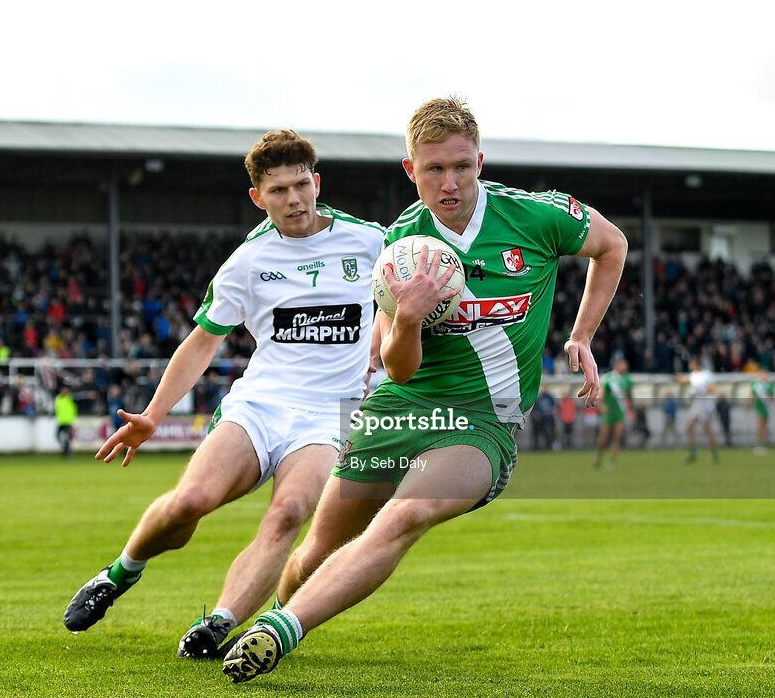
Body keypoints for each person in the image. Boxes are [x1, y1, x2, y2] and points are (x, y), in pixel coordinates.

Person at [221, 96, 627, 682]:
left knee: (405, 514)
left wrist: (583, 334)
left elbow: (610, 245)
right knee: (315, 550)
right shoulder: (400, 246)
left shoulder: (537, 217)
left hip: (484, 420)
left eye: (462, 166)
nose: (450, 182)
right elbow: (399, 369)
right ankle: (276, 617)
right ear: (410, 170)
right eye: (434, 169)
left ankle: (279, 633)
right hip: (398, 407)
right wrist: (407, 318)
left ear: (480, 161)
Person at [62, 130, 384, 661]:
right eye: (278, 190)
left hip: (328, 417)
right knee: (190, 503)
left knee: (288, 514)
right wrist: (152, 414)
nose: (295, 199)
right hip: (259, 406)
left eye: (302, 184)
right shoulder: (247, 261)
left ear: (317, 182)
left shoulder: (370, 241)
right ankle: (119, 573)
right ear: (258, 197)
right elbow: (201, 343)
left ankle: (219, 623)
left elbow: (412, 282)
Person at [675, 358, 719, 464]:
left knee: (707, 429)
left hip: (706, 403)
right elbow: (685, 381)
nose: (690, 366)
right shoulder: (693, 375)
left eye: (692, 364)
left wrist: (703, 392)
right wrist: (675, 376)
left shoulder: (706, 374)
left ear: (697, 364)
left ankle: (715, 454)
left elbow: (713, 388)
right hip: (697, 403)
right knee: (689, 426)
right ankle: (693, 454)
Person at [593, 357, 632, 469]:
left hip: (620, 411)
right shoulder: (608, 379)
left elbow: (628, 395)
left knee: (617, 436)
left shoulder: (627, 380)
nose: (625, 366)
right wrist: (601, 406)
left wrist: (630, 409)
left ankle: (612, 461)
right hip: (609, 411)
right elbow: (601, 395)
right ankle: (598, 456)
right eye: (622, 364)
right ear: (616, 365)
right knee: (603, 438)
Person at [750, 368, 775, 454]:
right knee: (759, 425)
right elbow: (752, 394)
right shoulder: (756, 384)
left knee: (764, 427)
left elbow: (772, 396)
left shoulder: (769, 384)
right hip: (758, 407)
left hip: (766, 408)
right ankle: (759, 444)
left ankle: (763, 444)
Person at [54, 385, 77, 458]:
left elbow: (74, 408)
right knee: (58, 436)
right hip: (61, 421)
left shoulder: (70, 398)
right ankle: (65, 449)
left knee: (66, 437)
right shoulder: (58, 398)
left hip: (68, 421)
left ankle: (67, 452)